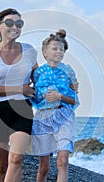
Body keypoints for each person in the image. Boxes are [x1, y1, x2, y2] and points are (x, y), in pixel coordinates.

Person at [0, 8, 38, 182]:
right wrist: (20, 88)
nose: (15, 27)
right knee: (1, 166)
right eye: (10, 23)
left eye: (19, 23)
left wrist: (67, 85)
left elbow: (40, 79)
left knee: (17, 159)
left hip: (22, 109)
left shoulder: (29, 51)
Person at [30, 29, 79, 182]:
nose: (59, 52)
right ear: (45, 51)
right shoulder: (37, 73)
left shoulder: (69, 71)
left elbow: (74, 100)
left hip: (63, 115)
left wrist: (60, 96)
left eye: (62, 49)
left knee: (62, 161)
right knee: (44, 166)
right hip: (42, 117)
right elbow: (33, 93)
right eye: (55, 48)